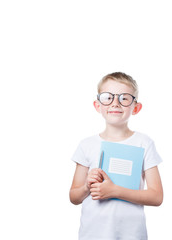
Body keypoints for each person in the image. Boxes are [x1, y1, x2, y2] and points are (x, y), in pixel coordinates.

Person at [69, 72, 163, 240]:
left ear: (136, 107)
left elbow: (156, 196)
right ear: (98, 105)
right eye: (108, 97)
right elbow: (74, 197)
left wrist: (115, 191)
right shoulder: (86, 145)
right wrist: (86, 187)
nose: (115, 103)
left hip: (132, 235)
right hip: (93, 234)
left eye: (124, 98)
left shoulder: (144, 143)